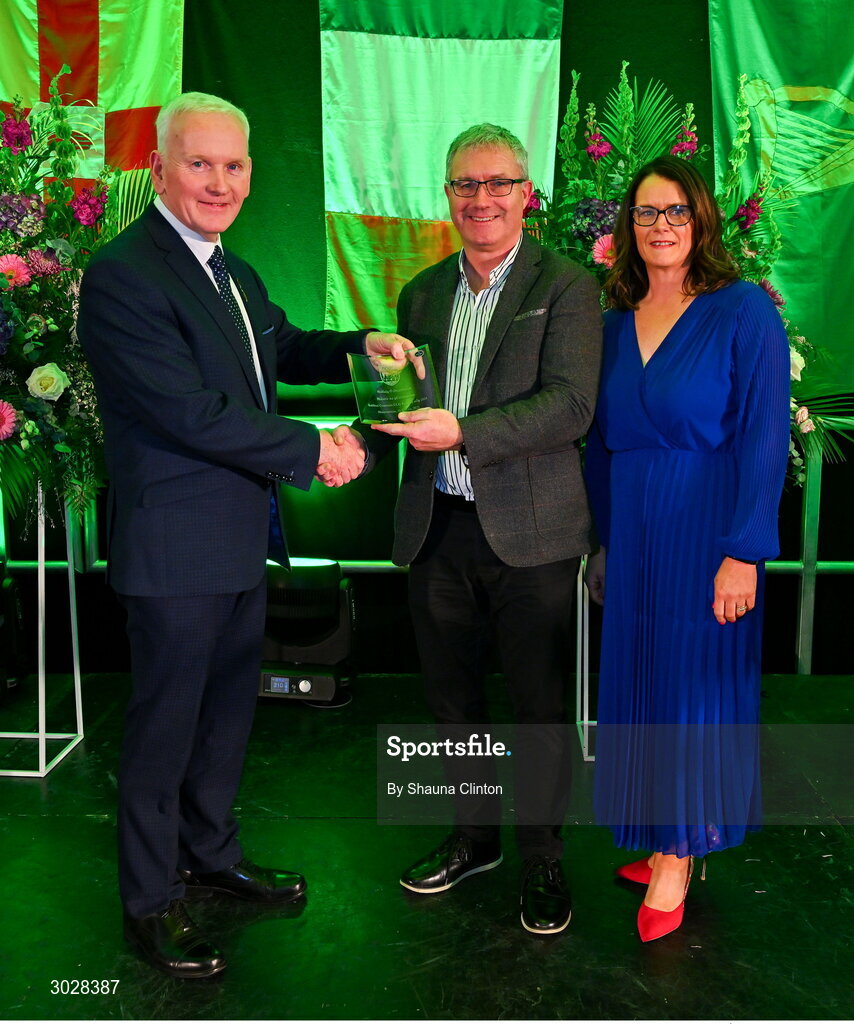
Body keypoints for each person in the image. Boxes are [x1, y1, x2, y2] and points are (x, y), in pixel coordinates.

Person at [77, 92, 411, 977]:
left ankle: (210, 856)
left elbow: (283, 348)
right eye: (199, 163)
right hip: (174, 549)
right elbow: (190, 412)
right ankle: (149, 903)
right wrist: (315, 446)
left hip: (235, 542)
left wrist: (361, 341)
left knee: (225, 718)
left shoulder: (233, 270)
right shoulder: (123, 275)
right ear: (160, 169)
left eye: (233, 166)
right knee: (164, 730)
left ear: (251, 173)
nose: (218, 181)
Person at [329, 124, 601, 934]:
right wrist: (360, 432)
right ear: (446, 195)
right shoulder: (418, 293)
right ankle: (474, 837)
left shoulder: (570, 286)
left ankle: (544, 860)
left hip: (535, 537)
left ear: (526, 194)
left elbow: (572, 404)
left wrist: (466, 433)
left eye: (497, 184)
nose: (480, 200)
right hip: (437, 529)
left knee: (538, 707)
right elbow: (407, 410)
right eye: (464, 185)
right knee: (452, 705)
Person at [583, 155, 790, 942]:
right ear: (627, 229)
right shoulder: (609, 324)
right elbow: (599, 448)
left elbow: (766, 440)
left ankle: (679, 851)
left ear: (700, 220)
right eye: (645, 213)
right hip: (633, 535)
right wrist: (602, 544)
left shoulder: (743, 312)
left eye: (674, 212)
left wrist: (745, 551)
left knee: (692, 693)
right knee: (640, 686)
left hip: (709, 532)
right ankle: (656, 829)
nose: (660, 226)